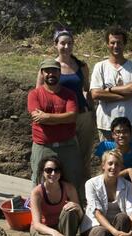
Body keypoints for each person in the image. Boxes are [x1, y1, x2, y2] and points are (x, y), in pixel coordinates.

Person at [36, 28, 96, 181]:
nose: (66, 47)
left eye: (70, 43)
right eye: (62, 43)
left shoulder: (81, 66)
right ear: (55, 44)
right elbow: (38, 93)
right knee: (64, 156)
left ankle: (83, 194)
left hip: (82, 116)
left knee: (84, 157)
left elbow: (86, 90)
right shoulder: (48, 67)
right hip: (60, 117)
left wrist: (92, 112)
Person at [27, 59, 84, 202]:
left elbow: (72, 116)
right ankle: (38, 218)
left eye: (54, 70)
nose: (51, 74)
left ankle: (76, 215)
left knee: (72, 180)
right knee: (39, 181)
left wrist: (47, 117)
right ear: (42, 73)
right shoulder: (34, 94)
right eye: (47, 71)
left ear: (60, 73)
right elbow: (36, 116)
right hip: (43, 146)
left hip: (67, 146)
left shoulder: (69, 94)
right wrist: (61, 118)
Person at [90, 26, 132, 143]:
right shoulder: (100, 67)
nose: (116, 46)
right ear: (107, 44)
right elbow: (95, 93)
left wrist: (109, 89)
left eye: (119, 42)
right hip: (107, 125)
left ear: (124, 44)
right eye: (112, 43)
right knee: (109, 159)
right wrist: (125, 95)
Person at [94, 116, 132, 195]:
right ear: (112, 134)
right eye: (118, 132)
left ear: (131, 133)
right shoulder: (104, 147)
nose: (121, 135)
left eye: (125, 131)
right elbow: (104, 177)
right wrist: (127, 171)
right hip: (110, 187)